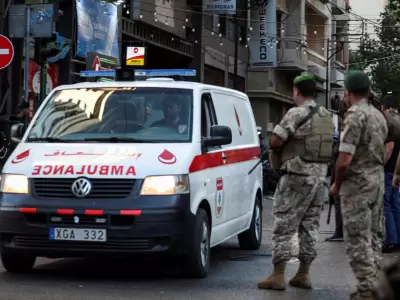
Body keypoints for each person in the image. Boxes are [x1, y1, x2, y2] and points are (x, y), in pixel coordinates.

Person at [257, 74, 334, 291]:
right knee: (310, 226)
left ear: (296, 91)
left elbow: (276, 140)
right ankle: (304, 273)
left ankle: (278, 274)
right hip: (319, 179)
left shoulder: (295, 113)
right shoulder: (326, 115)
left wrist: (276, 149)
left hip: (296, 178)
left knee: (284, 225)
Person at [330, 71, 387, 300]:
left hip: (358, 187)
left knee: (357, 241)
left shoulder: (355, 116)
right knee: (373, 239)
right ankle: (373, 285)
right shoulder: (378, 116)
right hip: (376, 182)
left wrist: (336, 184)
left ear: (348, 92)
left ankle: (367, 292)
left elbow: (344, 161)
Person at [326, 100, 349, 242]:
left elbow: (341, 152)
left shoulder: (346, 128)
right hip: (340, 165)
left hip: (342, 166)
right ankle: (341, 230)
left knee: (339, 200)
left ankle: (340, 231)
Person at [380, 95, 400, 253]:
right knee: (395, 204)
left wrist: (380, 165)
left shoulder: (390, 122)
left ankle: (391, 240)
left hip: (388, 170)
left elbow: (390, 146)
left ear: (383, 107)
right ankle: (397, 238)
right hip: (396, 170)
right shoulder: (399, 121)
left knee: (385, 205)